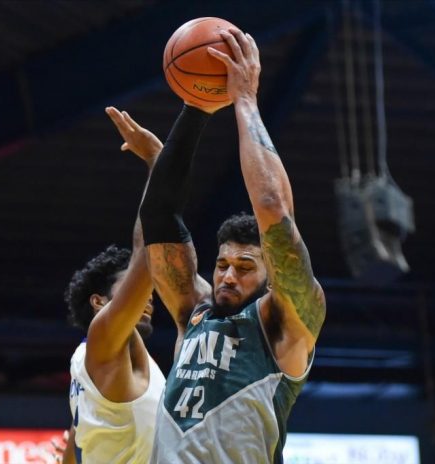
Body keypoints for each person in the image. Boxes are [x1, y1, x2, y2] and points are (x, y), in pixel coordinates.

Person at [139, 28, 327, 463]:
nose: (226, 275)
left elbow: (272, 207)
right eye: (222, 264)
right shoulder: (195, 312)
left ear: (270, 275)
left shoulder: (287, 323)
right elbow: (159, 219)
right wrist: (196, 108)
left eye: (244, 267)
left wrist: (244, 100)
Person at [61, 106, 166, 464]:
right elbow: (148, 252)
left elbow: (72, 445)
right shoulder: (104, 336)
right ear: (99, 302)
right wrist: (157, 163)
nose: (147, 295)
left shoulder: (85, 360)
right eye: (132, 285)